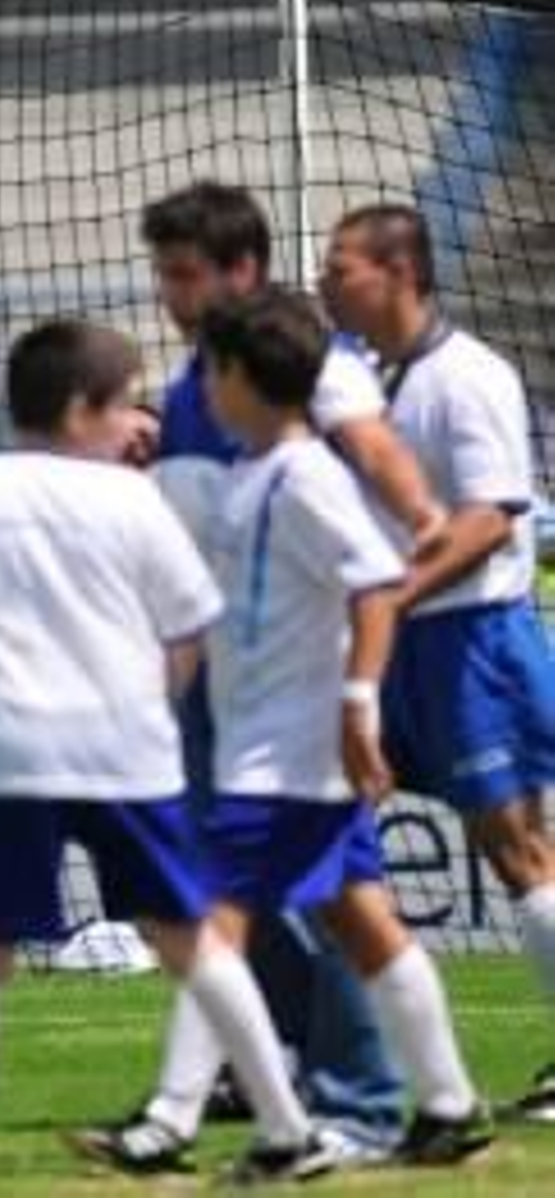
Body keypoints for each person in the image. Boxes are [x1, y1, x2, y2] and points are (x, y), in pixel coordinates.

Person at [0, 320, 328, 1195]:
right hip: (127, 751)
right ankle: (287, 1130)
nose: (138, 421)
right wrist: (159, 694)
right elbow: (191, 628)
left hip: (12, 752)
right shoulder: (136, 501)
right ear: (78, 409)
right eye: (124, 402)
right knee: (192, 942)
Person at [71, 287, 493, 1175]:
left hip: (289, 754)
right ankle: (451, 1104)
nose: (201, 392)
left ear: (242, 377)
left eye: (211, 372)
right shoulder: (254, 476)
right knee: (362, 919)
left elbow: (376, 585)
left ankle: (199, 1125)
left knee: (209, 923)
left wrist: (359, 704)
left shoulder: (306, 477)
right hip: (271, 747)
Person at [135, 180, 438, 1161]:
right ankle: (294, 1071)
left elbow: (372, 446)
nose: (170, 294)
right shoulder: (198, 379)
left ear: (241, 271)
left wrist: (424, 525)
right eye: (163, 275)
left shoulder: (311, 366)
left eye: (185, 275)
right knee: (278, 893)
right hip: (225, 675)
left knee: (309, 896)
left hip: (295, 687)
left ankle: (348, 1095)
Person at [322, 203, 555, 1121]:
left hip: (472, 641)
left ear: (400, 273)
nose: (326, 279)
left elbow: (492, 516)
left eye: (343, 265)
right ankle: (299, 1058)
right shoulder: (365, 376)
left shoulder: (468, 376)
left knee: (518, 850)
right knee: (320, 829)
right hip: (402, 639)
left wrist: (394, 594)